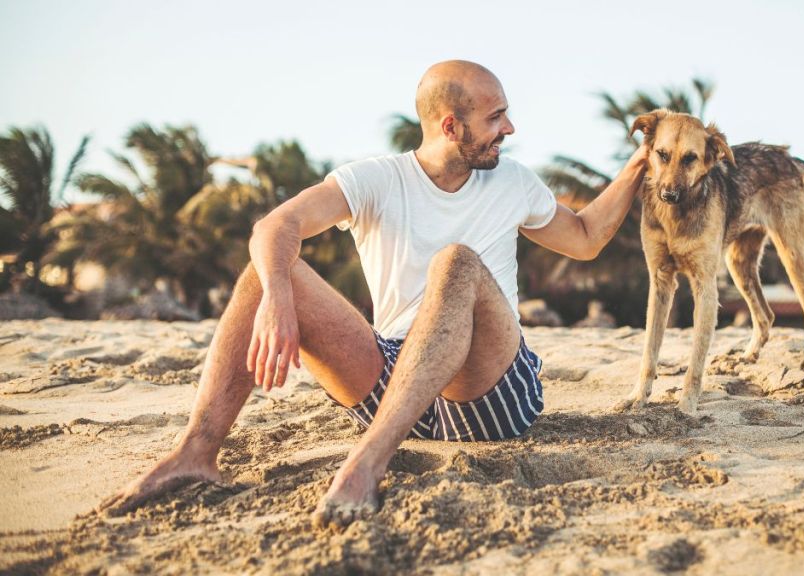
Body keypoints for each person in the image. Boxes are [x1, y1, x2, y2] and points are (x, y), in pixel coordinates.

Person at [98, 60, 648, 529]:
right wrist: (276, 296)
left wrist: (640, 165)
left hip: (488, 392)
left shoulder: (515, 182)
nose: (509, 127)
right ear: (451, 126)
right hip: (395, 382)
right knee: (264, 271)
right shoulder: (377, 180)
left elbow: (584, 237)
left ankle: (366, 464)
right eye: (495, 116)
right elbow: (274, 226)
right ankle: (196, 453)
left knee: (456, 263)